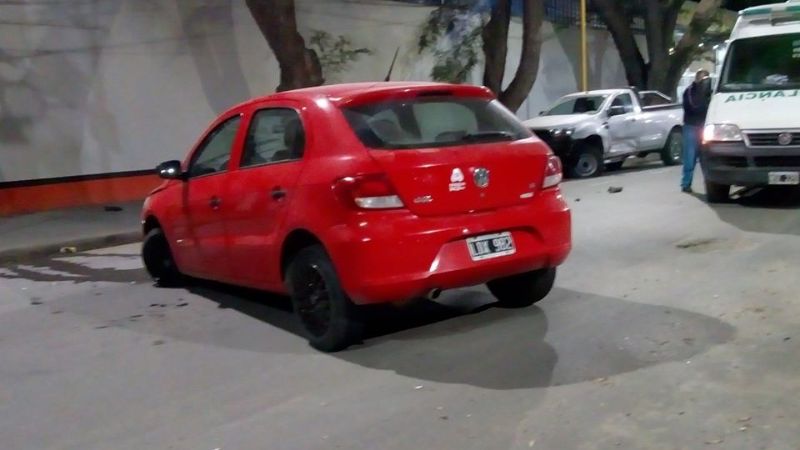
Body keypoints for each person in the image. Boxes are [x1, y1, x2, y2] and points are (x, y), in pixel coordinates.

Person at [681, 69, 712, 193]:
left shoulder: (710, 93)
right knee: (690, 156)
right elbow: (693, 107)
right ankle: (686, 183)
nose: (704, 82)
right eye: (702, 79)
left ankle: (711, 183)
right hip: (691, 126)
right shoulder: (690, 91)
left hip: (705, 126)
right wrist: (702, 92)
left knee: (706, 157)